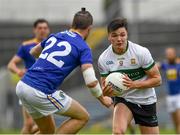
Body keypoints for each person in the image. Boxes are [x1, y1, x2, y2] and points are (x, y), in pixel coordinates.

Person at [15, 8, 112, 134]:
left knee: (48, 131)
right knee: (83, 117)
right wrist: (103, 99)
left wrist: (48, 63)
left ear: (72, 24)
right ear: (89, 28)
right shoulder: (83, 47)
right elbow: (90, 80)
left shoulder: (56, 36)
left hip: (22, 85)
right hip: (40, 90)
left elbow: (33, 51)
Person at [98, 18, 162, 134]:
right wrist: (106, 93)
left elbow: (157, 80)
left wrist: (134, 84)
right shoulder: (104, 59)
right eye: (114, 35)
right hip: (124, 99)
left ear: (127, 35)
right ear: (109, 37)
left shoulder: (141, 52)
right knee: (118, 132)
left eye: (122, 35)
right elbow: (105, 86)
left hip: (146, 101)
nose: (119, 39)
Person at [7, 19, 50, 134]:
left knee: (46, 125)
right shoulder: (26, 46)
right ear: (34, 30)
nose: (42, 30)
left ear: (48, 30)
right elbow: (11, 64)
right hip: (29, 85)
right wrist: (19, 71)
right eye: (39, 28)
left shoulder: (52, 45)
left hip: (45, 87)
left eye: (45, 28)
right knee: (29, 124)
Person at [159, 47, 180, 134]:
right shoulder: (165, 64)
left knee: (179, 121)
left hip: (179, 95)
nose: (169, 55)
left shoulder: (179, 64)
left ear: (174, 54)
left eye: (171, 53)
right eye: (167, 53)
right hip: (170, 96)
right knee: (175, 122)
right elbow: (156, 66)